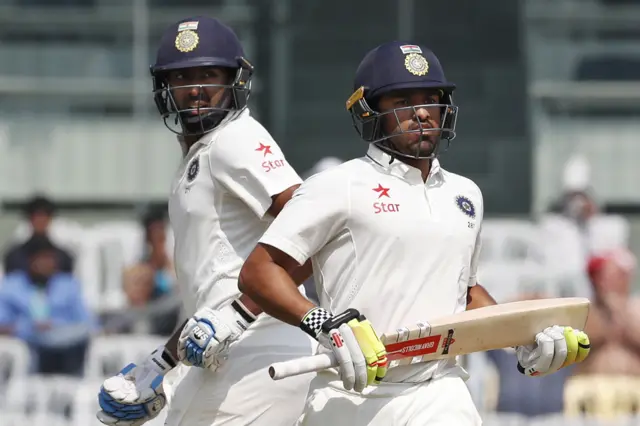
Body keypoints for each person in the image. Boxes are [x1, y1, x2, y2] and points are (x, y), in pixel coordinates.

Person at [237, 41, 592, 425]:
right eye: (402, 101)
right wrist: (325, 325)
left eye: (431, 99)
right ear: (369, 109)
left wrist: (522, 340)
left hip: (439, 389)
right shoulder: (336, 185)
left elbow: (466, 292)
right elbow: (258, 272)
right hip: (350, 391)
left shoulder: (465, 194)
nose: (422, 112)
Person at [96, 16, 315, 426]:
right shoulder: (199, 156)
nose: (196, 88)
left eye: (209, 74)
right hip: (230, 358)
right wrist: (159, 364)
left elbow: (312, 231)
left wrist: (240, 314)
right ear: (166, 88)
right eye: (182, 76)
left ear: (235, 80)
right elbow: (213, 298)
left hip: (264, 354)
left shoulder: (237, 138)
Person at [0, 235, 95, 376]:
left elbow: (86, 321)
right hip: (29, 342)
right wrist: (29, 327)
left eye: (51, 259)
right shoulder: (10, 286)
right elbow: (3, 325)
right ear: (29, 260)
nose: (47, 264)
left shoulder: (68, 284)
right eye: (42, 259)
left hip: (68, 344)